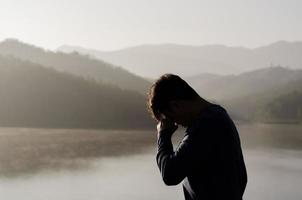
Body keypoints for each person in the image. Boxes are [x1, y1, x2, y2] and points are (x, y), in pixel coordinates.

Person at [146, 74, 247, 200]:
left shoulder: (207, 124)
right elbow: (241, 178)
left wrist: (163, 135)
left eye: (171, 118)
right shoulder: (216, 116)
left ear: (175, 106)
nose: (176, 124)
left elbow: (170, 174)